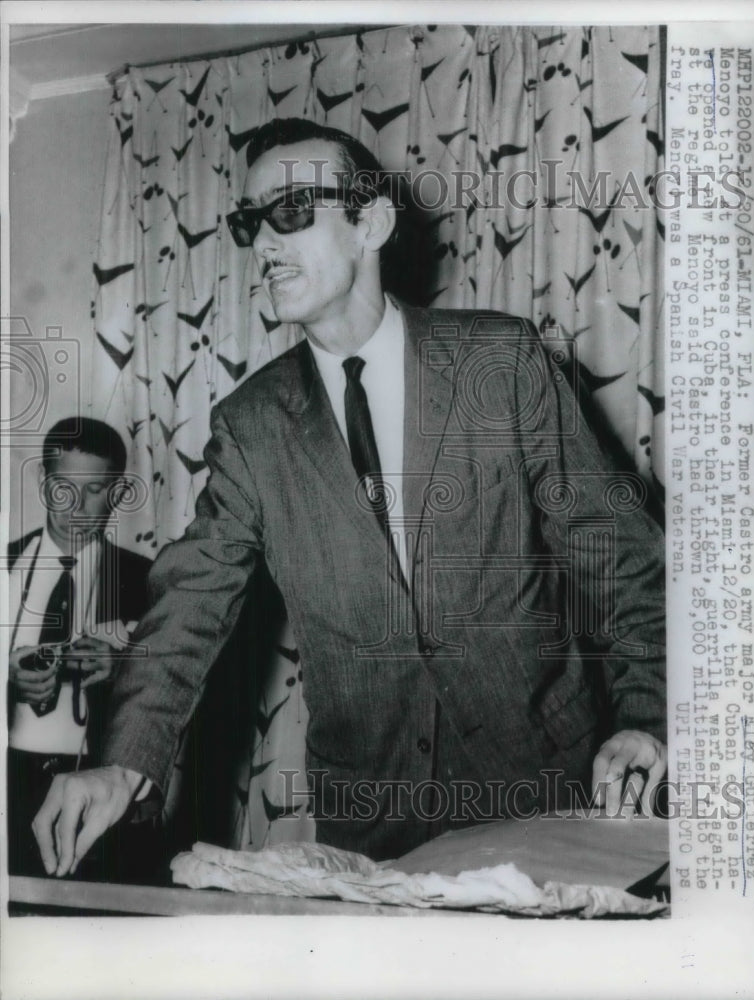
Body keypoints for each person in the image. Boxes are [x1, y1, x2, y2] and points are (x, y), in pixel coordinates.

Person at [33, 118, 667, 875]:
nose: (264, 245)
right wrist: (122, 762)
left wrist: (646, 719)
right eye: (251, 223)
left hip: (544, 790)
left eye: (291, 212)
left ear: (372, 223)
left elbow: (619, 556)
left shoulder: (500, 359)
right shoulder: (251, 425)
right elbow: (190, 603)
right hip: (376, 826)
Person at [8, 417, 159, 881]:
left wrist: (123, 668)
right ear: (42, 480)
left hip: (100, 799)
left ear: (117, 492)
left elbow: (178, 692)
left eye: (94, 490)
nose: (75, 506)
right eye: (63, 488)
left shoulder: (148, 583)